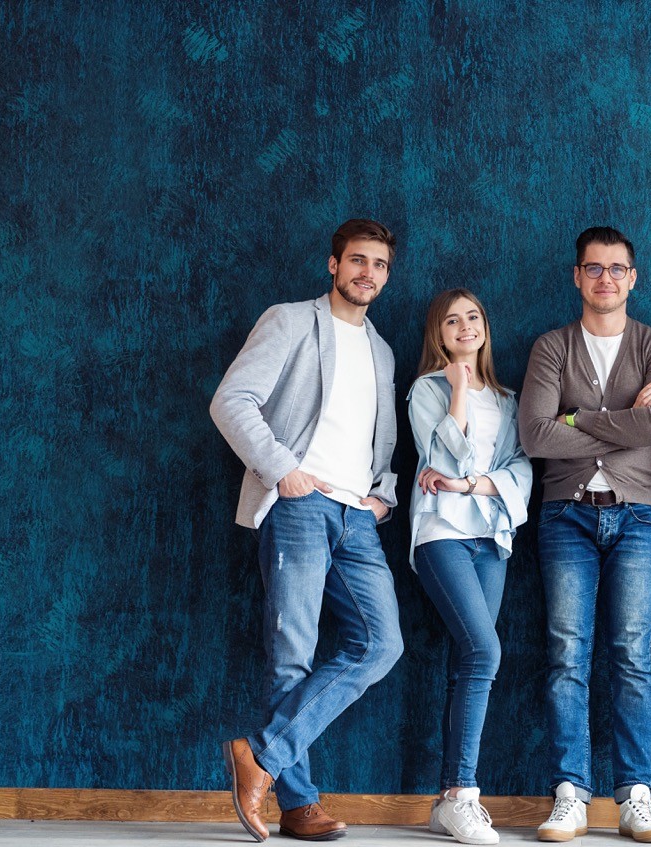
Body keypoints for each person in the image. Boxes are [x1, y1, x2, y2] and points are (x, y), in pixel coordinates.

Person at [211, 219, 404, 843]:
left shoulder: (382, 349)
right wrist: (284, 471)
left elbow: (384, 439)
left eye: (378, 265)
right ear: (332, 264)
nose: (366, 273)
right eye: (356, 261)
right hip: (298, 505)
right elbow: (232, 400)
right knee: (291, 653)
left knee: (382, 644)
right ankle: (298, 804)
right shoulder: (291, 321)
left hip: (357, 518)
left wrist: (382, 496)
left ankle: (260, 756)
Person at [517, 226, 651, 843]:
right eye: (593, 269)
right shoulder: (551, 347)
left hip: (638, 515)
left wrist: (574, 416)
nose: (605, 279)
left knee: (632, 655)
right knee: (566, 654)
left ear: (632, 278)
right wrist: (624, 420)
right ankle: (570, 795)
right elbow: (536, 436)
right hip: (566, 514)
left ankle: (636, 795)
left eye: (616, 269)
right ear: (576, 277)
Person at [407, 288, 533, 845]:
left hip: (491, 536)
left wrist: (473, 484)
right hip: (442, 535)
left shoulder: (507, 399)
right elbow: (437, 460)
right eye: (452, 321)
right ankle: (463, 794)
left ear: (485, 325)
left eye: (473, 317)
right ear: (438, 334)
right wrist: (457, 390)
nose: (465, 327)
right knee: (484, 650)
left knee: (470, 661)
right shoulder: (426, 390)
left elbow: (521, 468)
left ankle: (444, 804)